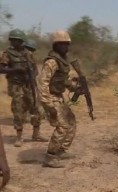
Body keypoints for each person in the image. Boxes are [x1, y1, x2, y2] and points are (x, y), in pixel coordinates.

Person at [0, 29, 48, 147]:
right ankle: (19, 137)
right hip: (16, 86)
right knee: (18, 110)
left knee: (36, 109)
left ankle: (36, 134)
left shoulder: (28, 53)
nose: (14, 42)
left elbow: (35, 68)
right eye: (13, 40)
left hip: (29, 85)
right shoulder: (7, 54)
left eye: (17, 40)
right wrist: (16, 70)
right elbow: (1, 69)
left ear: (22, 41)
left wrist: (31, 77)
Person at [37, 30, 78, 168]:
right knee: (63, 126)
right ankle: (50, 157)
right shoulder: (52, 62)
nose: (64, 47)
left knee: (71, 122)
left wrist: (74, 87)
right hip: (51, 98)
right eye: (61, 44)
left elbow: (62, 81)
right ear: (55, 45)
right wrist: (48, 105)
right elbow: (43, 84)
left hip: (59, 97)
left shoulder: (62, 61)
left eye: (66, 44)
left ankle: (61, 151)